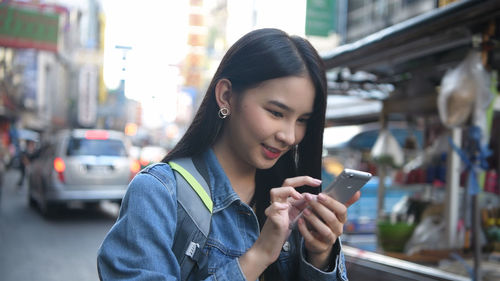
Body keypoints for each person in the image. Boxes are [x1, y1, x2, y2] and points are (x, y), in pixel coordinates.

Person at [97, 28, 360, 281]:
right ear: (225, 96)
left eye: (302, 120)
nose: (290, 137)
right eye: (276, 113)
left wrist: (321, 254)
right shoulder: (159, 193)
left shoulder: (295, 202)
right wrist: (259, 255)